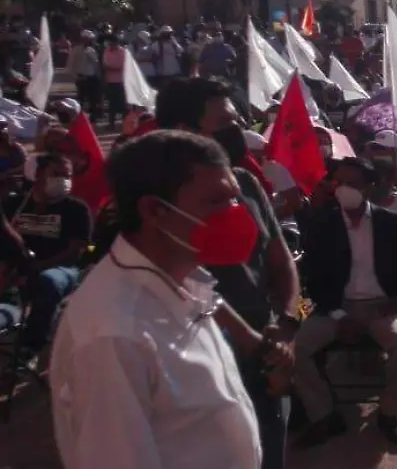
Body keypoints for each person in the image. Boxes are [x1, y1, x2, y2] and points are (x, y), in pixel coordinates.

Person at [50, 131, 262, 469]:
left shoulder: (186, 281)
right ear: (154, 210)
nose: (235, 213)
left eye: (235, 199)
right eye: (217, 201)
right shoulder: (114, 332)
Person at [155, 77, 302, 469]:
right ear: (185, 132)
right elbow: (181, 283)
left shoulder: (247, 184)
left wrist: (287, 323)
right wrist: (249, 339)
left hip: (265, 352)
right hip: (195, 364)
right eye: (223, 122)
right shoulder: (154, 204)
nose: (237, 131)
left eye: (236, 120)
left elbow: (281, 260)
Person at [292, 158, 397, 449]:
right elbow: (314, 281)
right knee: (297, 348)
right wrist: (339, 315)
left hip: (383, 307)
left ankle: (389, 415)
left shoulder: (392, 223)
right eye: (339, 183)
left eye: (352, 184)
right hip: (337, 308)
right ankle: (324, 415)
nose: (344, 190)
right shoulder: (323, 225)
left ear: (368, 188)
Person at [1, 153, 90, 362]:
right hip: (17, 264)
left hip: (61, 268)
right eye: (57, 174)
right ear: (38, 175)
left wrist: (37, 267)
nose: (64, 180)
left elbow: (75, 251)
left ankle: (31, 345)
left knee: (48, 282)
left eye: (68, 175)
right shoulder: (15, 204)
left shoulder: (76, 209)